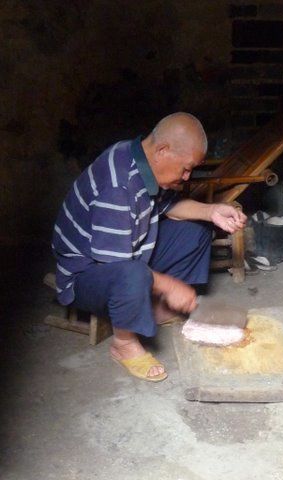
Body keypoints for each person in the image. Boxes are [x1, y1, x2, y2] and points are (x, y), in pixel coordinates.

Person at [52, 112, 246, 382]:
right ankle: (124, 343)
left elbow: (171, 208)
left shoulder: (143, 160)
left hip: (131, 251)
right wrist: (169, 285)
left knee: (197, 229)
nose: (187, 177)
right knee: (133, 274)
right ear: (163, 150)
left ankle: (158, 308)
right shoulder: (117, 185)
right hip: (86, 276)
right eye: (186, 168)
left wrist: (212, 211)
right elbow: (116, 265)